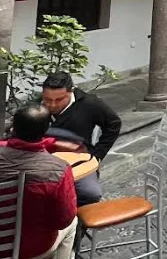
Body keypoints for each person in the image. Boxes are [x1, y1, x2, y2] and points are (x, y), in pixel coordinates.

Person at [0, 106, 78, 259]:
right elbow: (63, 219)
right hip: (29, 250)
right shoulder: (58, 170)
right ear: (46, 130)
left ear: (13, 126)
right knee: (73, 222)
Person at [39, 72, 121, 204]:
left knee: (91, 193)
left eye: (59, 100)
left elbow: (114, 124)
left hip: (79, 160)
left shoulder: (89, 104)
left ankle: (77, 221)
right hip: (43, 161)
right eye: (48, 100)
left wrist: (97, 154)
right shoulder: (36, 106)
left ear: (71, 92)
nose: (52, 105)